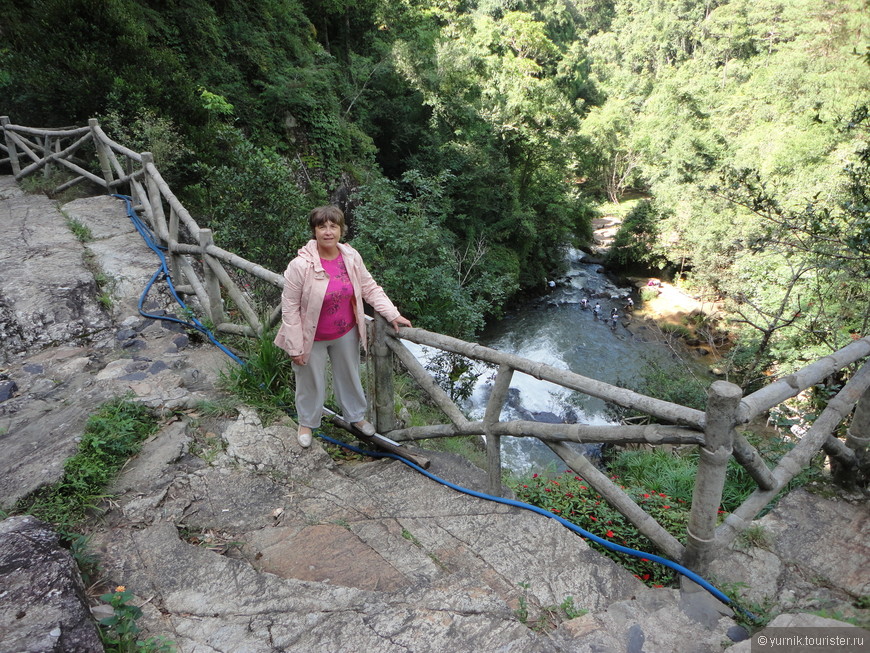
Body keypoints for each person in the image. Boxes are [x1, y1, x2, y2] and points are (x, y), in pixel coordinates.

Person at [275, 205, 412, 448]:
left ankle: (356, 417)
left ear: (341, 229)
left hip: (345, 331)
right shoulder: (300, 265)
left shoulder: (350, 256)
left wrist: (392, 313)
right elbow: (290, 308)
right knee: (309, 382)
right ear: (314, 231)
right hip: (311, 335)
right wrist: (295, 346)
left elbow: (369, 287)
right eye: (322, 226)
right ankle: (306, 422)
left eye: (333, 226)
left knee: (349, 376)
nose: (328, 232)